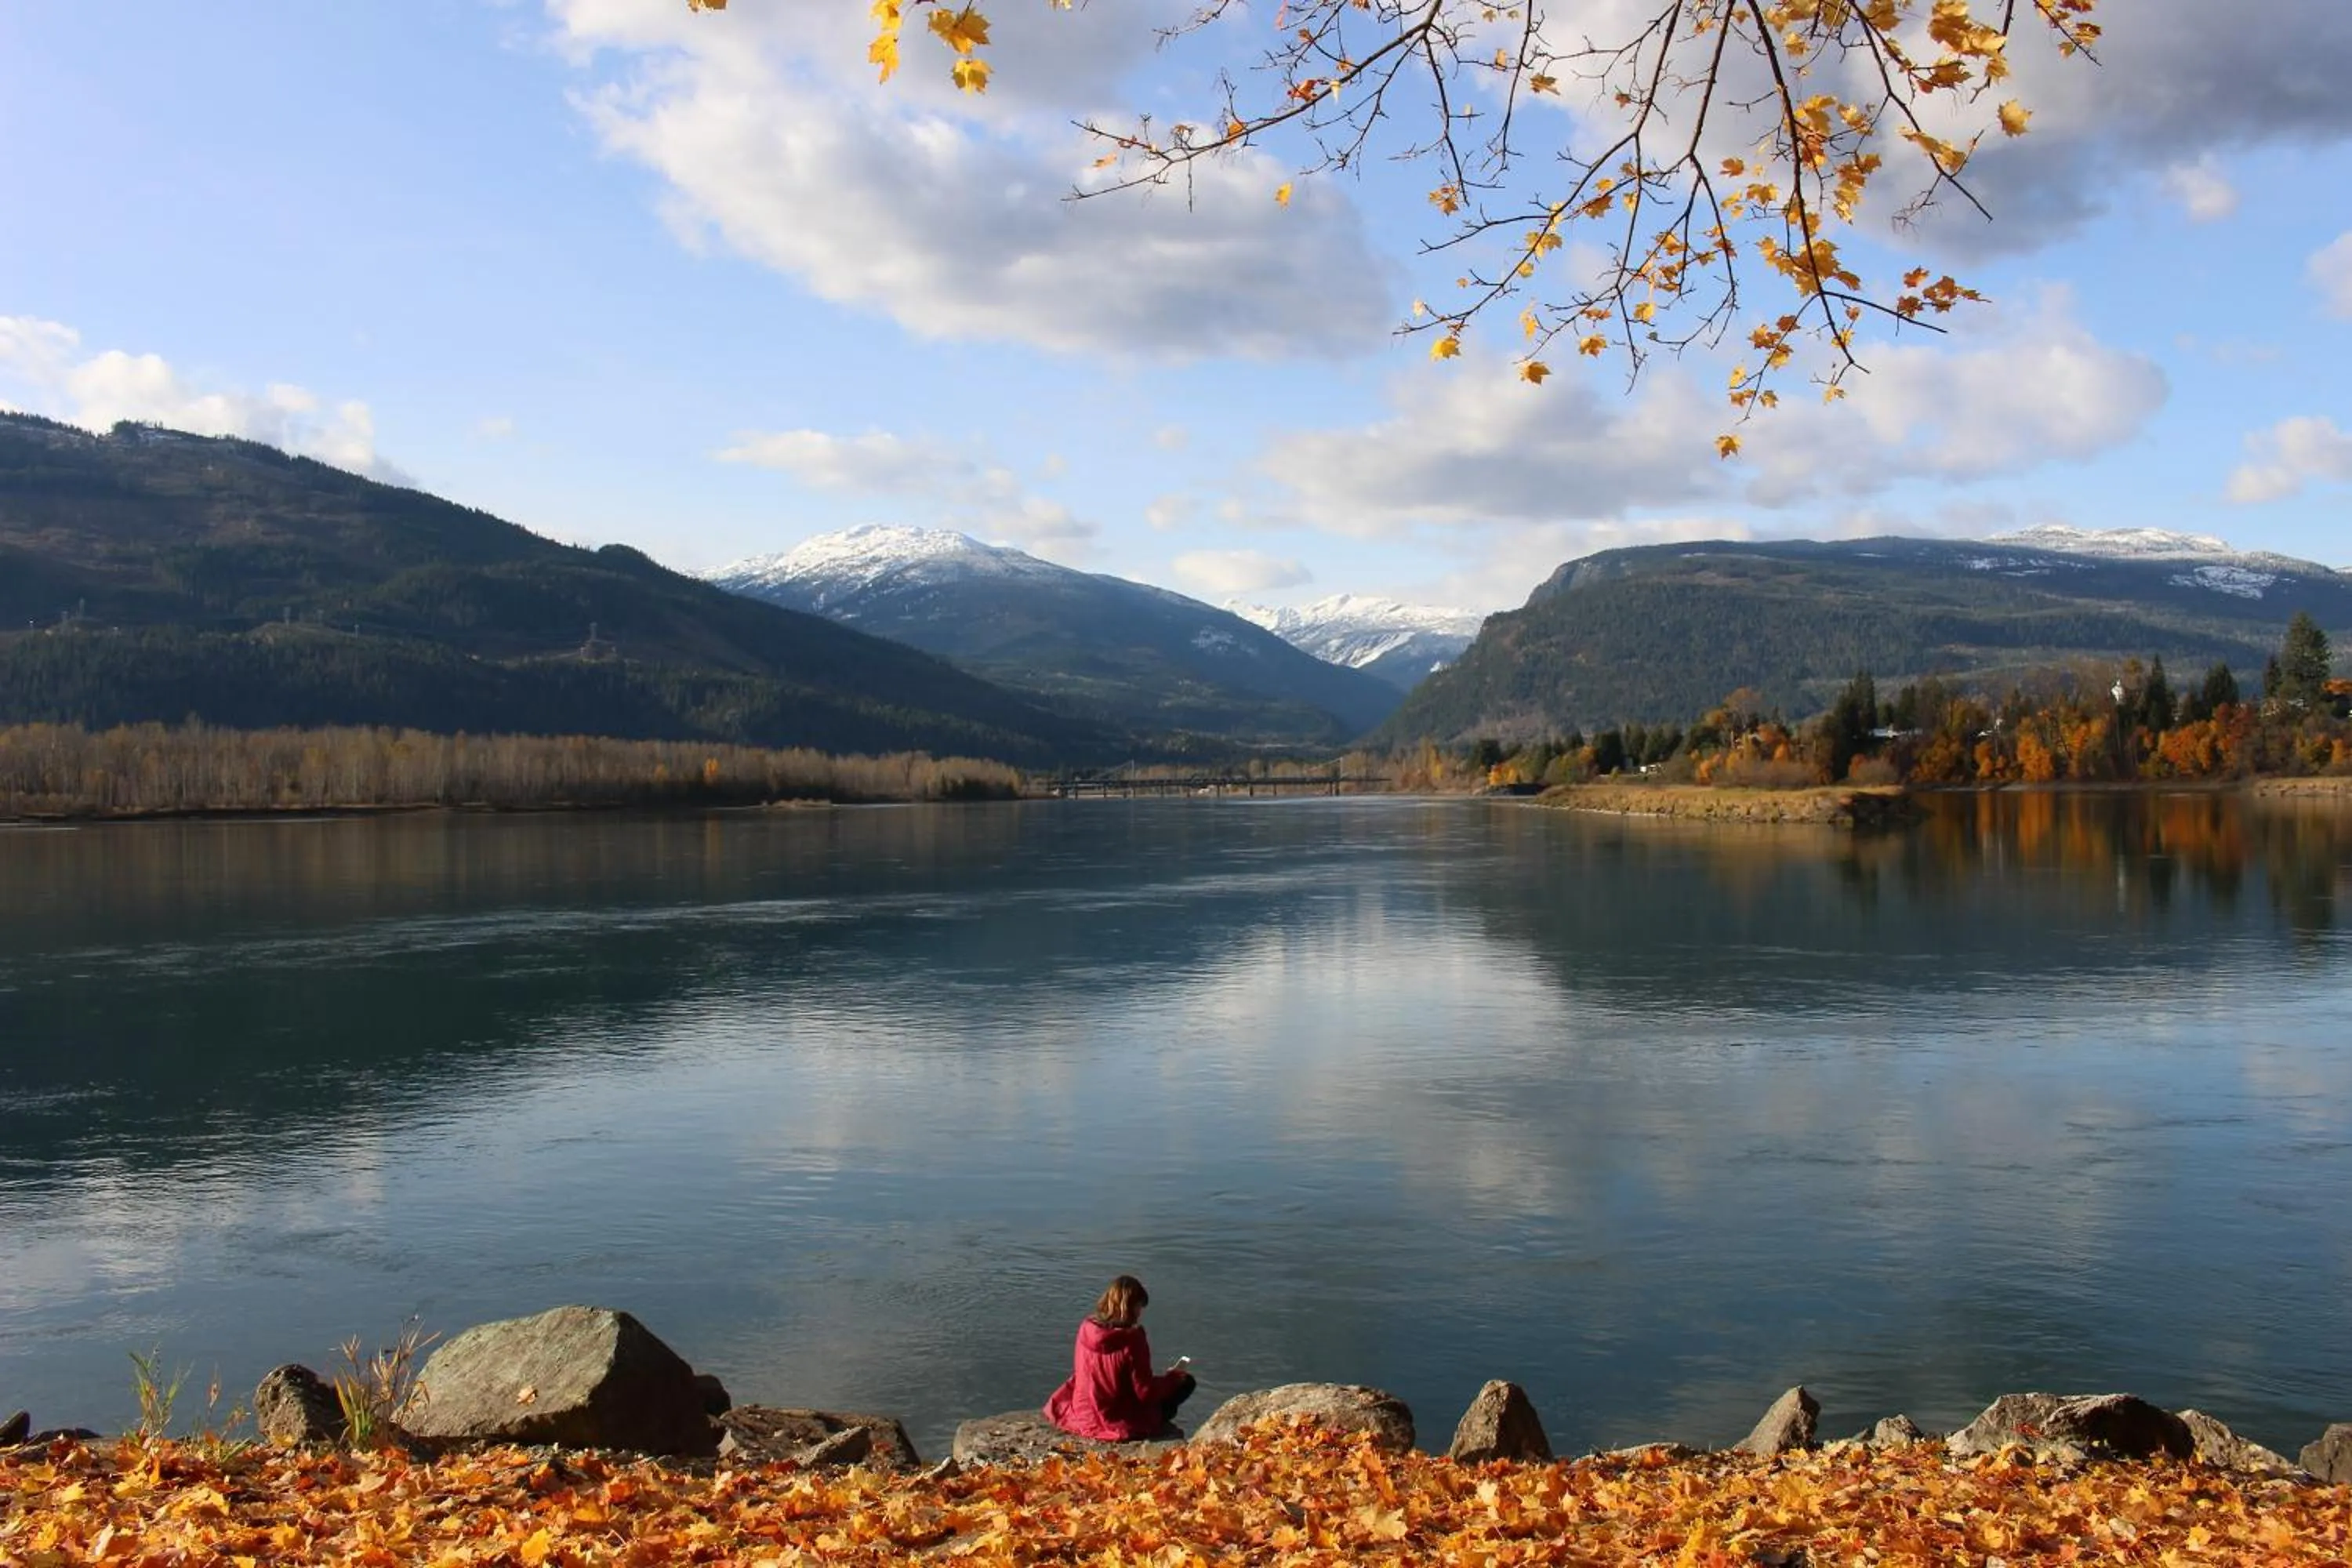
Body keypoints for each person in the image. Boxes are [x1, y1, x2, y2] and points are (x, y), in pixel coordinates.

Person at [1044, 1274, 1196, 1441]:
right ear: (1130, 1307)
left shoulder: (1087, 1328)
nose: (1140, 1313)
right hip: (1114, 1417)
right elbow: (1145, 1392)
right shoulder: (1132, 1340)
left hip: (1084, 1411)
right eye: (1139, 1307)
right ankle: (1158, 1423)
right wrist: (1173, 1377)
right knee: (1186, 1383)